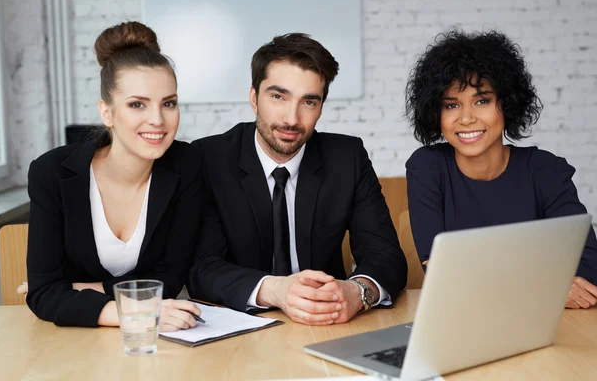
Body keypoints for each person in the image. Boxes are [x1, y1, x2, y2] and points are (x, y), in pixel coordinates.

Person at [188, 33, 408, 325]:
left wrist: (358, 292)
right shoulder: (208, 158)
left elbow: (386, 255)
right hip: (240, 327)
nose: (292, 119)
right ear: (254, 98)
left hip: (326, 323)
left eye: (308, 102)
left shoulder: (347, 158)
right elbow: (201, 268)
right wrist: (275, 290)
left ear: (321, 107)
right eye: (278, 97)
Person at [23, 21, 204, 329]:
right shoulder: (51, 173)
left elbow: (169, 281)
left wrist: (76, 290)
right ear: (106, 112)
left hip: (151, 343)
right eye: (137, 105)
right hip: (72, 343)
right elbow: (44, 295)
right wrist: (134, 312)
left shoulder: (186, 165)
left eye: (169, 103)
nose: (157, 120)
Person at [404, 29, 597, 309]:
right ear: (436, 113)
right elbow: (443, 274)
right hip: (465, 319)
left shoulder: (545, 170)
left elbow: (589, 266)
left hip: (544, 323)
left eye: (482, 101)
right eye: (451, 105)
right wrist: (547, 285)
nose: (467, 118)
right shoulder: (428, 168)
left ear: (507, 104)